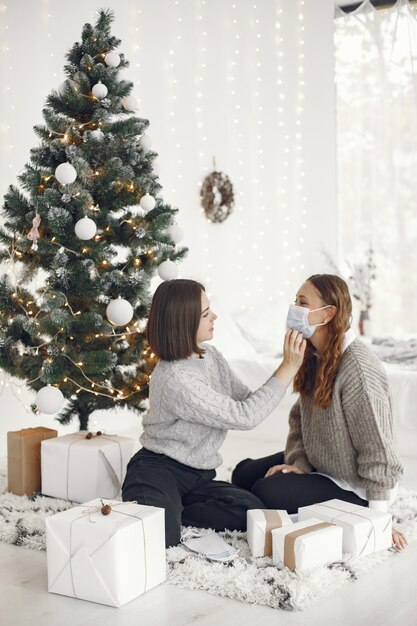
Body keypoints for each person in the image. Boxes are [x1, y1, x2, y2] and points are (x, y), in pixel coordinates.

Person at [122, 278, 305, 548]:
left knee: (252, 511)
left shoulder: (210, 355)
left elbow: (246, 400)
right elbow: (245, 416)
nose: (214, 317)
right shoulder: (176, 379)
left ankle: (176, 509)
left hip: (199, 474)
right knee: (163, 539)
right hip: (158, 469)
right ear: (183, 321)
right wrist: (287, 368)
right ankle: (162, 507)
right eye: (206, 313)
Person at [232, 274, 407, 550]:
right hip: (321, 463)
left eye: (303, 303)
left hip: (354, 486)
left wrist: (378, 521)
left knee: (265, 491)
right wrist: (299, 465)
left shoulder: (358, 369)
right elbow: (299, 419)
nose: (294, 310)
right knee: (242, 474)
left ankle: (356, 507)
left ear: (328, 314)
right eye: (295, 302)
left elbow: (379, 452)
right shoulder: (314, 355)